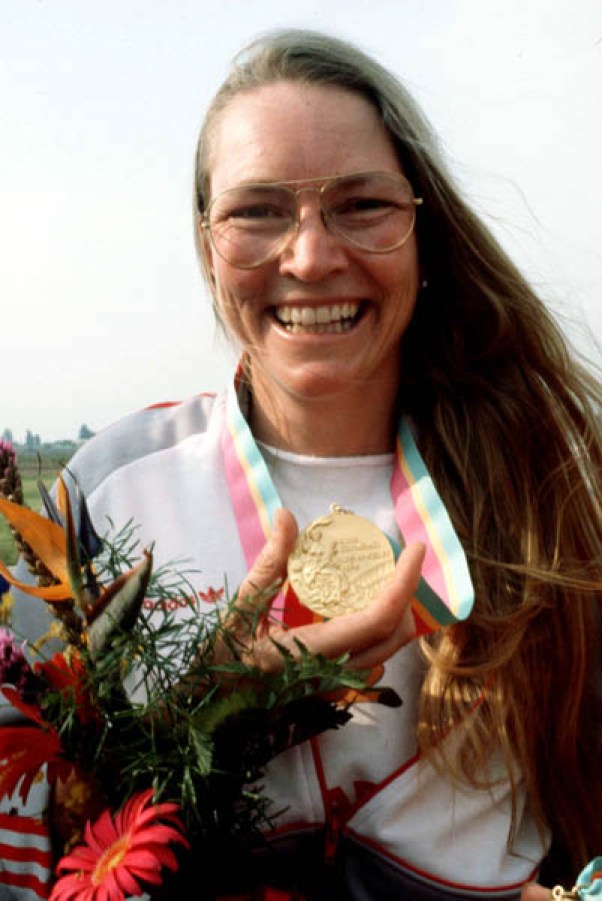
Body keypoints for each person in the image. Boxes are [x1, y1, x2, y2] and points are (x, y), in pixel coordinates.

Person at [3, 28, 602, 901]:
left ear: (422, 230)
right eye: (258, 210)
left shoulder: (546, 484)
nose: (313, 255)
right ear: (207, 244)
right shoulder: (106, 490)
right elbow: (29, 812)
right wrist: (211, 715)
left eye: (361, 204)